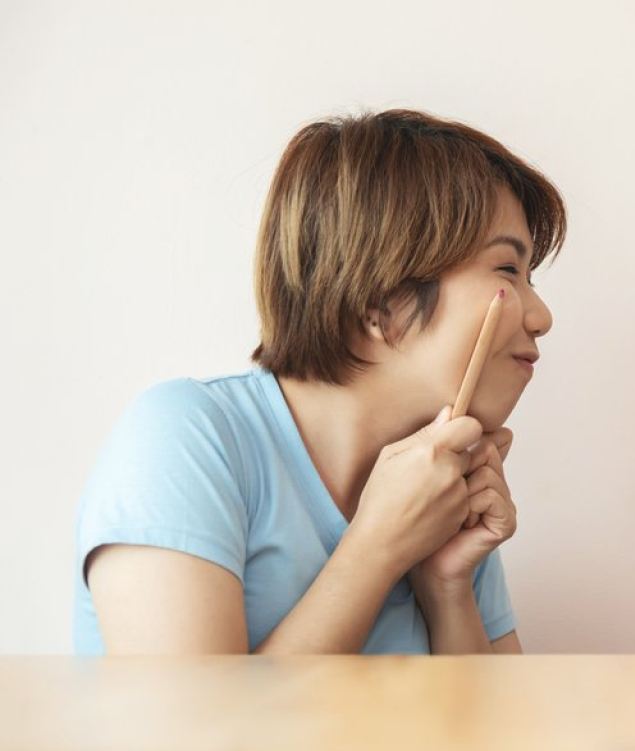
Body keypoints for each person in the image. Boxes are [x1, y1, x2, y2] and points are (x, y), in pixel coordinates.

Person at [74, 109, 565, 654]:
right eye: (506, 271)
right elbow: (194, 732)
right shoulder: (184, 438)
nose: (540, 315)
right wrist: (378, 546)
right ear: (383, 302)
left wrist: (447, 587)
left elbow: (495, 737)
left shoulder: (441, 491)